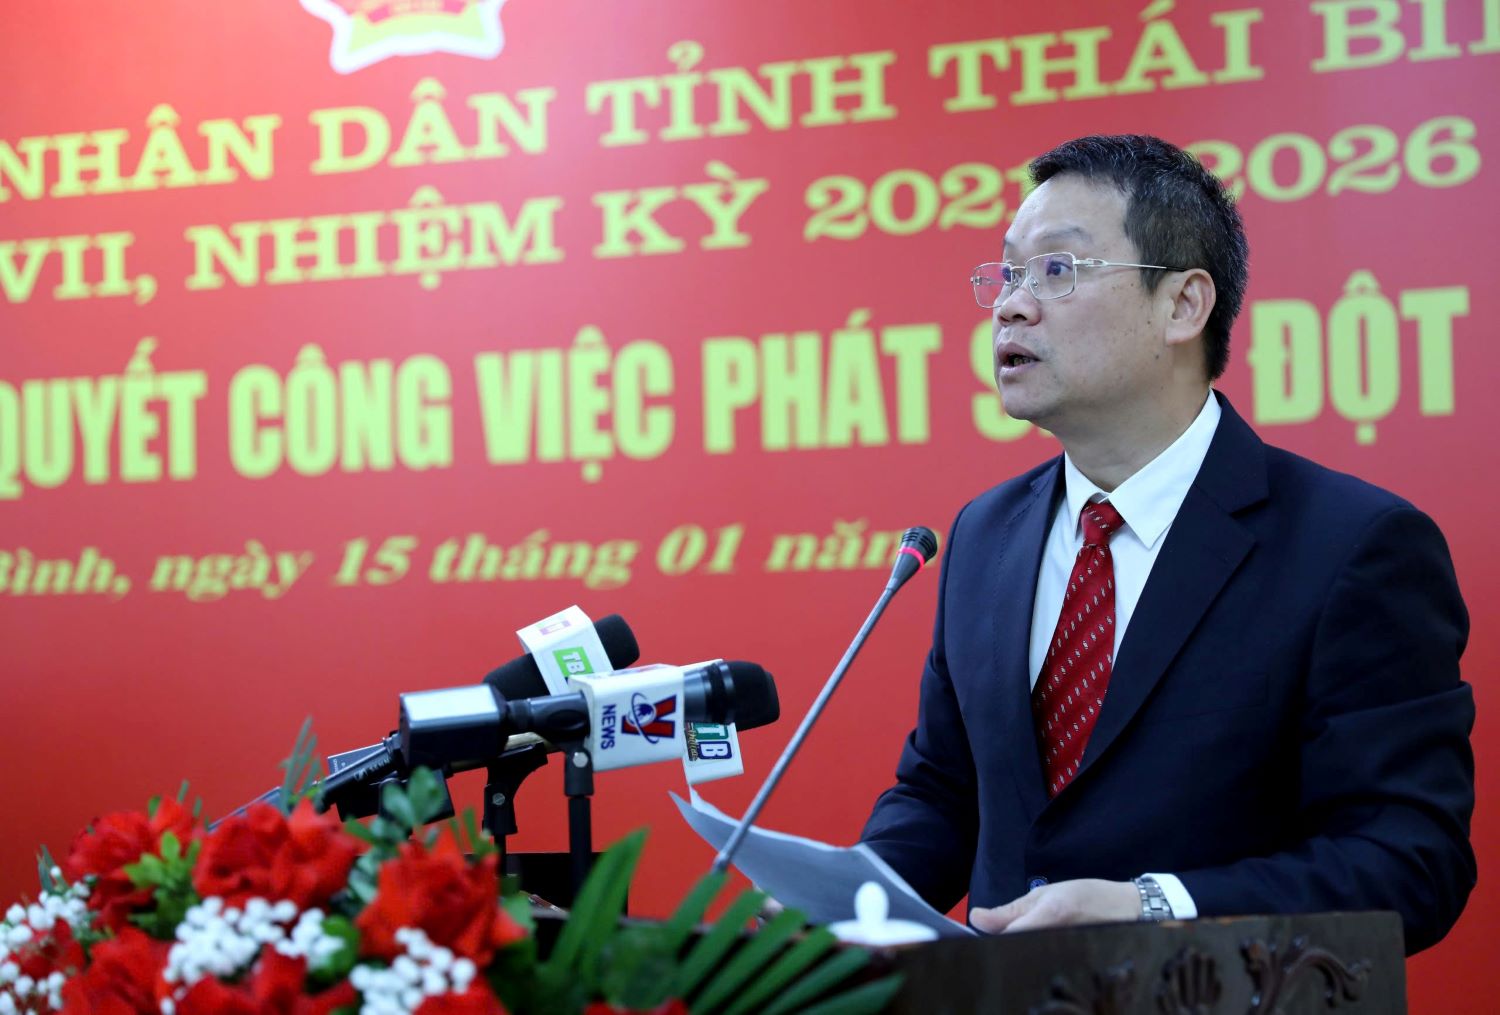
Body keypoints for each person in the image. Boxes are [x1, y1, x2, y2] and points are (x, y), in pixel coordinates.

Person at [859, 134, 1475, 954]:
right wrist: (843, 902)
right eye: (1005, 273)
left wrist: (1157, 904)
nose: (1010, 304)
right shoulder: (984, 536)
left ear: (1184, 305)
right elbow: (943, 793)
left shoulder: (1351, 548)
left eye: (1057, 269)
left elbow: (1408, 862)